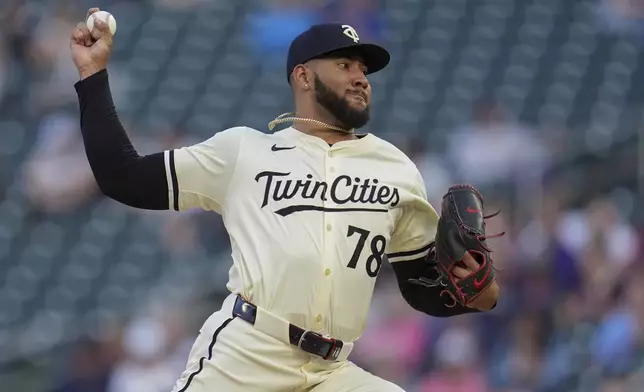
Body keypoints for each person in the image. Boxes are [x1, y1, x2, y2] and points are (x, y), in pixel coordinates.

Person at [70, 8, 500, 392]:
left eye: (364, 69)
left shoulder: (397, 168)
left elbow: (422, 288)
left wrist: (479, 291)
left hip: (331, 370)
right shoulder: (244, 151)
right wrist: (92, 75)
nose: (360, 77)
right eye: (344, 63)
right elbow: (122, 177)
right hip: (248, 355)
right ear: (304, 76)